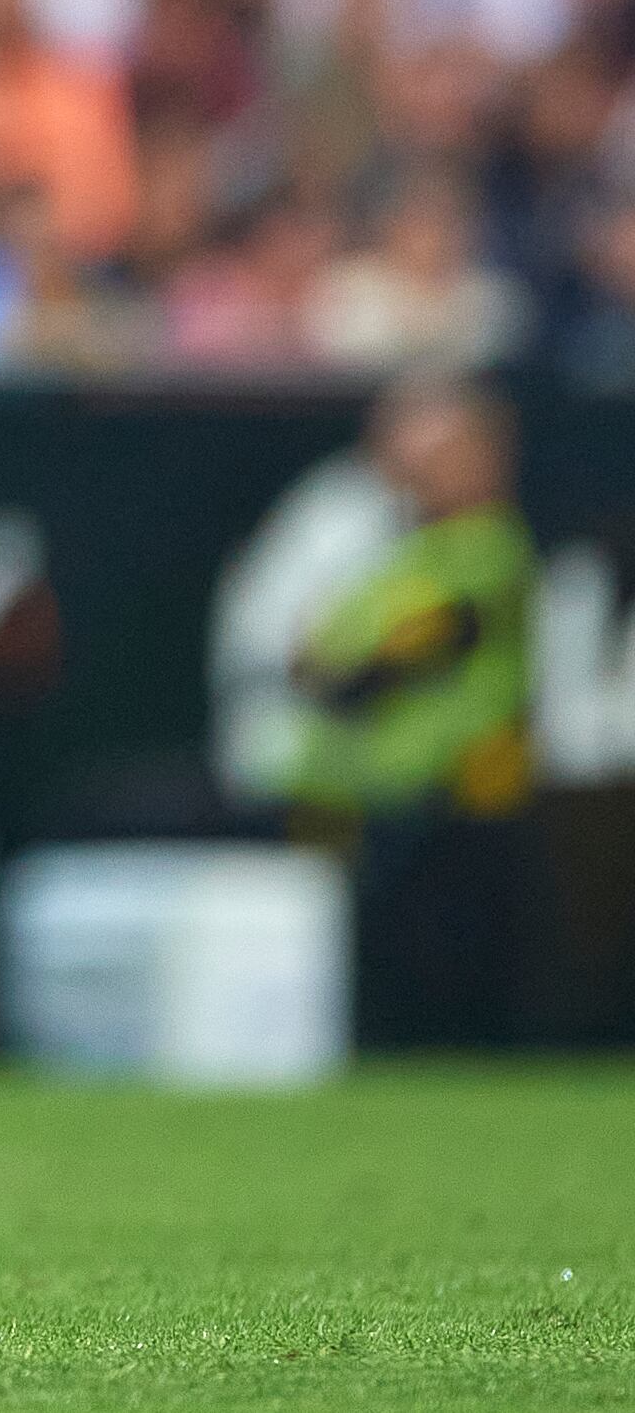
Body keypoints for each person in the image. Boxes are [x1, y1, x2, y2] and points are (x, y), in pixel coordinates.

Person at [285, 374, 541, 1044]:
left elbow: (369, 668)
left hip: (455, 805)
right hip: (369, 800)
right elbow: (311, 659)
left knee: (448, 986)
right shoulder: (398, 555)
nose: (423, 470)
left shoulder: (488, 550)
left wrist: (345, 665)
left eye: (444, 452)